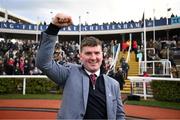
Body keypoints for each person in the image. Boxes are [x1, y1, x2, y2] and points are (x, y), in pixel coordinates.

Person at [36, 13, 125, 119]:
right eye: (88, 53)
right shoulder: (68, 74)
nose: (93, 57)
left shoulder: (113, 84)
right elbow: (44, 63)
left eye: (97, 53)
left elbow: (119, 115)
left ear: (102, 55)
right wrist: (53, 28)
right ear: (80, 56)